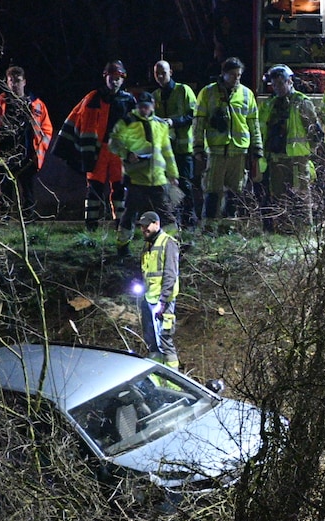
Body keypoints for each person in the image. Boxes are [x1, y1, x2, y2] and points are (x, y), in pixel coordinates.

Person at [54, 61, 137, 231]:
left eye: (117, 78)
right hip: (98, 152)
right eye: (111, 78)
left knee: (119, 189)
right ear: (105, 77)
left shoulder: (128, 100)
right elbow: (76, 118)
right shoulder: (93, 98)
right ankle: (91, 226)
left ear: (122, 80)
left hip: (119, 152)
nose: (114, 82)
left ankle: (121, 225)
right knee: (94, 189)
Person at [109, 92, 179, 261]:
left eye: (147, 106)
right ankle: (122, 246)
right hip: (136, 179)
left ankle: (172, 245)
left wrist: (173, 174)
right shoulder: (126, 123)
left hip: (158, 179)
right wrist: (126, 153)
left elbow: (167, 151)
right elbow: (113, 143)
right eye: (141, 106)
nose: (144, 109)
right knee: (130, 215)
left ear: (152, 106)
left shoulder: (160, 125)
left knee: (166, 214)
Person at [193, 56, 263, 222]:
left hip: (239, 151)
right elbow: (199, 121)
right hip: (216, 150)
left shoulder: (246, 94)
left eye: (239, 75)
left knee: (236, 191)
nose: (236, 78)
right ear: (223, 74)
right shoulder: (208, 93)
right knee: (212, 190)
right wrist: (197, 147)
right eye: (232, 75)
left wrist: (257, 147)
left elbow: (253, 122)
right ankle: (209, 228)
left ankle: (229, 228)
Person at [258, 64, 322, 231]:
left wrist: (309, 154)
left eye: (280, 83)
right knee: (278, 196)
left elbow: (315, 132)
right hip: (276, 158)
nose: (277, 87)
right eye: (274, 84)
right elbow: (263, 130)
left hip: (297, 158)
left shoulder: (302, 102)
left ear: (289, 81)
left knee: (300, 195)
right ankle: (283, 229)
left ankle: (303, 230)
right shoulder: (270, 105)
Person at [0, 66, 52, 222]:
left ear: (24, 82)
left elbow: (46, 129)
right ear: (7, 82)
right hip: (4, 153)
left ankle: (28, 220)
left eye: (17, 81)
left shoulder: (36, 104)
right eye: (11, 81)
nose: (14, 84)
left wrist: (39, 149)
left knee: (27, 190)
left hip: (27, 153)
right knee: (5, 190)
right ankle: (5, 219)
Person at [151, 60, 200, 229]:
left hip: (183, 149)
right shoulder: (155, 95)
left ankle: (189, 223)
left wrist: (173, 122)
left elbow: (194, 115)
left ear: (171, 72)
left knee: (185, 185)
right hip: (166, 151)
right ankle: (175, 222)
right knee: (169, 188)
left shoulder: (183, 90)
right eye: (157, 73)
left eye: (163, 73)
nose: (160, 76)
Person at [136, 211, 180, 369]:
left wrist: (162, 301)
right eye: (141, 226)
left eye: (146, 226)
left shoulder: (168, 243)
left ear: (156, 224)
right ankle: (156, 379)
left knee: (165, 342)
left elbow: (170, 274)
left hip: (163, 303)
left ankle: (173, 384)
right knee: (152, 344)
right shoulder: (148, 244)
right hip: (149, 300)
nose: (143, 229)